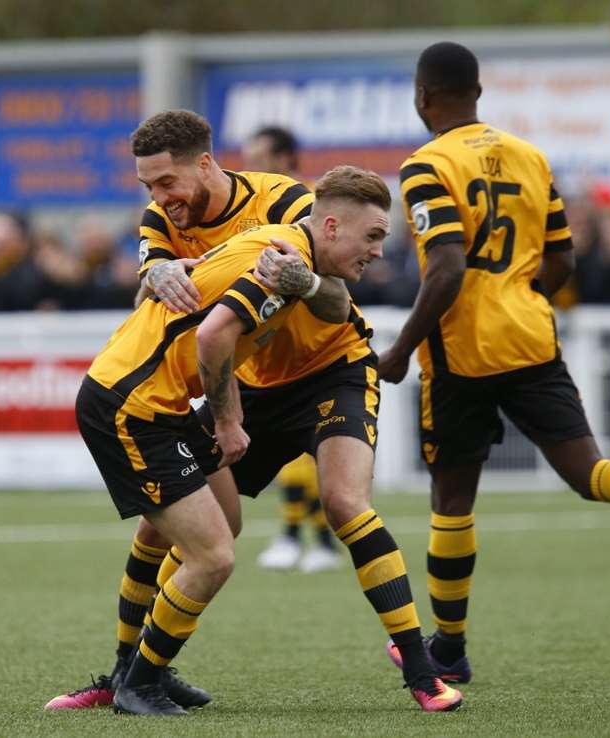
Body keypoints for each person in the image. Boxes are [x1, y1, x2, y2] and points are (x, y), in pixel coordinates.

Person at [49, 112, 462, 714]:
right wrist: (151, 272)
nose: (160, 200)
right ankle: (130, 673)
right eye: (149, 188)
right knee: (176, 529)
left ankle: (422, 672)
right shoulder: (160, 220)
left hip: (329, 368)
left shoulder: (288, 203)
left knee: (345, 502)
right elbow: (161, 304)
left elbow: (334, 293)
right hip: (247, 383)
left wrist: (302, 281)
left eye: (167, 183)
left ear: (206, 165)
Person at [378, 42, 610, 684]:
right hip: (531, 338)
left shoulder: (425, 166)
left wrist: (401, 348)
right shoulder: (530, 157)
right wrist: (517, 301)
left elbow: (445, 268)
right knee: (588, 470)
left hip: (462, 355)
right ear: (478, 92)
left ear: (423, 97)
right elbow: (563, 261)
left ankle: (450, 647)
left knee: (452, 500)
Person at [241, 125, 341, 574]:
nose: (249, 163)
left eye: (258, 155)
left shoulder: (310, 203)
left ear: (283, 158)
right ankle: (311, 538)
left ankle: (300, 535)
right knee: (296, 452)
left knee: (305, 449)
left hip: (312, 339)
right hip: (270, 339)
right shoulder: (256, 204)